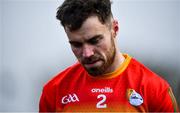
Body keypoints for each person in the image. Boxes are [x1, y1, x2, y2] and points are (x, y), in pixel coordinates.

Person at [39, 0, 179, 112]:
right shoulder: (54, 91)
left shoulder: (155, 89)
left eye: (95, 41)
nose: (87, 53)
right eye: (76, 45)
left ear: (114, 29)